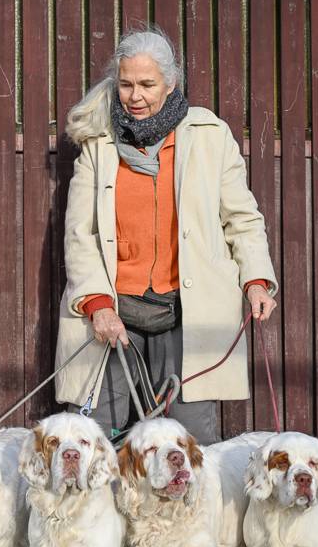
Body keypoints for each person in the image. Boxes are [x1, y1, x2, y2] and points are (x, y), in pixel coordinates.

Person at [54, 27, 277, 444]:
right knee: (98, 440)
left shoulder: (210, 137)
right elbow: (79, 233)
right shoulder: (99, 143)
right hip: (114, 314)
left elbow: (242, 218)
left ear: (171, 83)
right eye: (125, 84)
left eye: (146, 85)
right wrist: (98, 305)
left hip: (186, 312)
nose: (134, 96)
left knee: (189, 444)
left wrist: (256, 280)